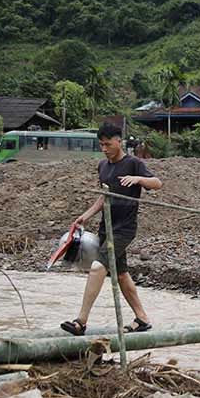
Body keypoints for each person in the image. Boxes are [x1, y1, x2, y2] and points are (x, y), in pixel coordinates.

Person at [60, 123, 163, 336]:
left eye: (108, 144)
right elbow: (103, 196)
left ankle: (81, 321)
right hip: (106, 227)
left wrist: (138, 179)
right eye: (101, 145)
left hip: (124, 229)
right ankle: (142, 318)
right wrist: (85, 216)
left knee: (98, 267)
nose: (104, 148)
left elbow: (157, 183)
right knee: (122, 275)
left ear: (118, 141)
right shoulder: (103, 166)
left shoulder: (133, 163)